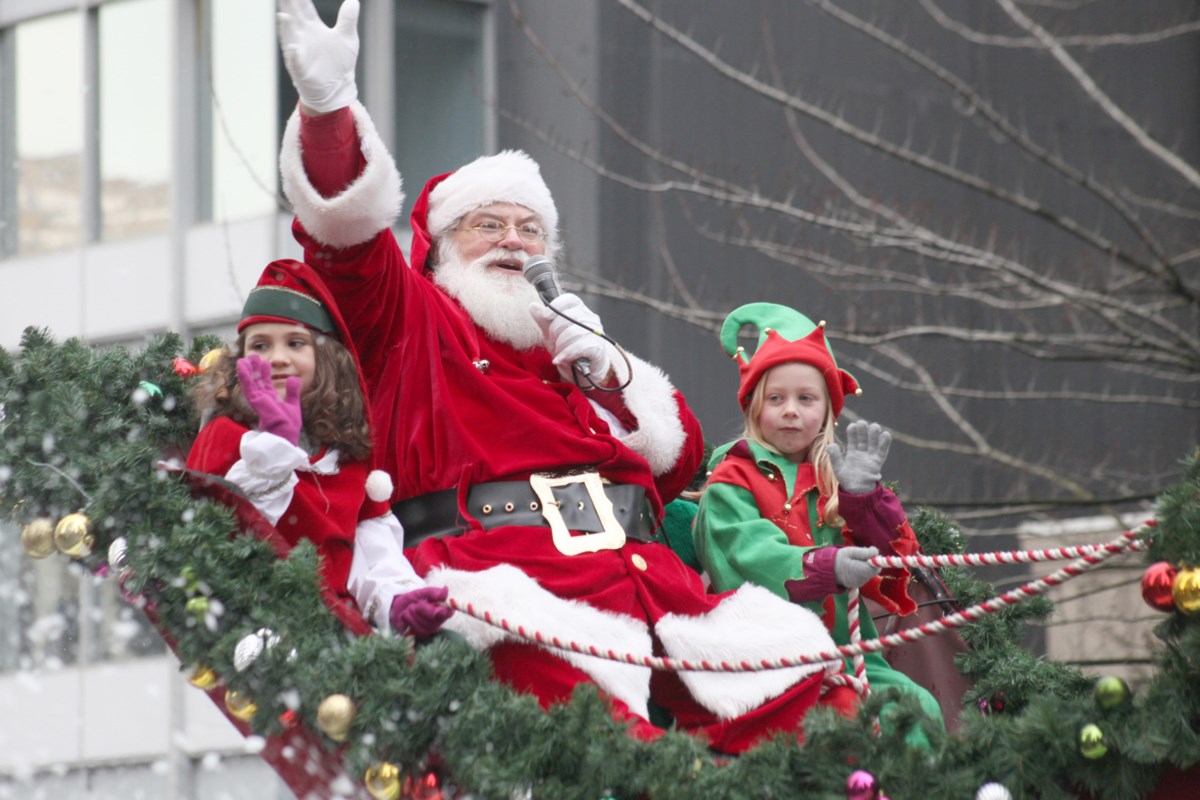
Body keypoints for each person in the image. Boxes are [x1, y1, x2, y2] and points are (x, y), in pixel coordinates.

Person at [272, 0, 860, 754]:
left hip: (653, 592)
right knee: (612, 755)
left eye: (531, 230)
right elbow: (347, 244)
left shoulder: (570, 336)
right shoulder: (412, 318)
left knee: (821, 705)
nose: (514, 243)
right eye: (489, 225)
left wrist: (611, 373)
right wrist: (329, 113)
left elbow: (677, 463)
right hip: (510, 592)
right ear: (442, 245)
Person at [693, 302, 944, 729]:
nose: (790, 410)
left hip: (850, 656)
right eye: (776, 398)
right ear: (755, 408)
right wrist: (827, 567)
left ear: (827, 411)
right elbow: (745, 558)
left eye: (805, 398)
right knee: (851, 715)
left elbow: (894, 566)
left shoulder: (835, 481)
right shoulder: (732, 480)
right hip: (768, 660)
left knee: (920, 711)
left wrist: (865, 502)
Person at [187, 258, 452, 640]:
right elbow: (225, 541)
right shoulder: (224, 437)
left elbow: (370, 553)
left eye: (295, 343)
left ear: (326, 359)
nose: (277, 357)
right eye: (260, 345)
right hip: (260, 633)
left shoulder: (347, 456)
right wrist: (274, 446)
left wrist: (396, 601)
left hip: (341, 638)